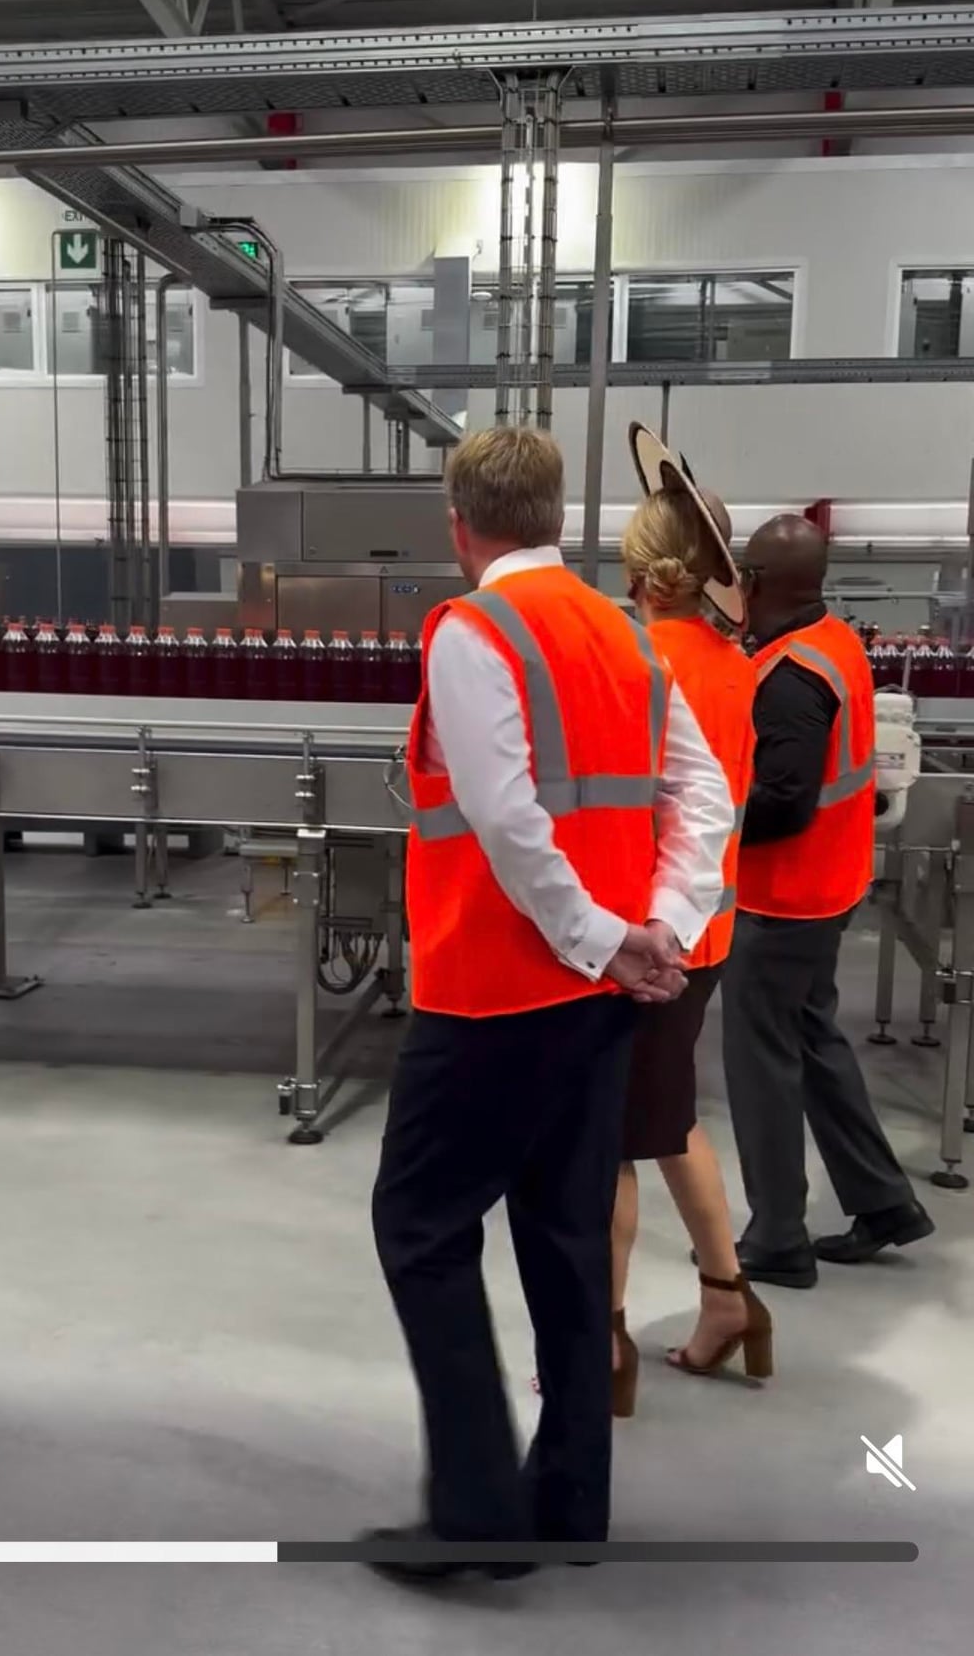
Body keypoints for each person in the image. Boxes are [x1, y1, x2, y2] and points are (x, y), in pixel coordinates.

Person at [368, 425, 733, 1582]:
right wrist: (661, 927)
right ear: (560, 517)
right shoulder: (625, 635)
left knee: (420, 1226)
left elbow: (504, 814)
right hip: (598, 1002)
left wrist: (604, 939)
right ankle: (569, 1501)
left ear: (458, 524)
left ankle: (477, 1508)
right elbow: (704, 793)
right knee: (567, 1239)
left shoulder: (473, 630)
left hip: (492, 991)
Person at [723, 514, 935, 1290]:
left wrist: (704, 824)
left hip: (782, 901)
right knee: (813, 1045)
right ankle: (883, 1202)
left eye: (742, 573)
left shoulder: (789, 678)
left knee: (762, 1067)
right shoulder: (834, 641)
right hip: (828, 888)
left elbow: (783, 802)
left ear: (759, 583)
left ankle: (777, 1236)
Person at [610, 425, 771, 1418]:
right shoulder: (735, 661)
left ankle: (601, 1344)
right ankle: (728, 1298)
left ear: (637, 573)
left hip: (641, 941)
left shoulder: (633, 663)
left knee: (610, 1144)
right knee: (669, 1119)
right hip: (708, 929)